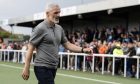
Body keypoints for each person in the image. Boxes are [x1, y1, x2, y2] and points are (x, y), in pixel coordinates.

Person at [22, 3, 92, 84]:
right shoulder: (40, 28)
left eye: (59, 12)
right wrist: (26, 68)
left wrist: (83, 50)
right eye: (55, 12)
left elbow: (67, 44)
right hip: (42, 67)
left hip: (53, 67)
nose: (58, 15)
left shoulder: (59, 29)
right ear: (47, 13)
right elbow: (30, 49)